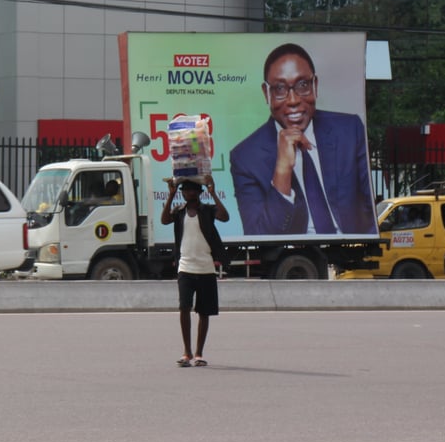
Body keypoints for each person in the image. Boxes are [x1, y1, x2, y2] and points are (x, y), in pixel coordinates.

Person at [228, 43, 377, 236]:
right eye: (280, 88)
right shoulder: (246, 157)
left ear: (315, 85)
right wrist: (282, 170)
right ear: (267, 93)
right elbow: (259, 235)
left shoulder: (349, 130)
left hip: (348, 247)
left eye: (302, 85)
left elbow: (370, 212)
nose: (293, 100)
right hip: (292, 252)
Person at [161, 175, 229, 368]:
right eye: (185, 190)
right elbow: (164, 219)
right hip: (185, 267)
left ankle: (198, 353)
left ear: (199, 193)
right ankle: (186, 352)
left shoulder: (207, 211)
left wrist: (213, 192)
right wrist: (171, 195)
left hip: (206, 268)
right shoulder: (179, 211)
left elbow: (224, 217)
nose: (188, 193)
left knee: (204, 312)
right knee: (184, 308)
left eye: (192, 190)